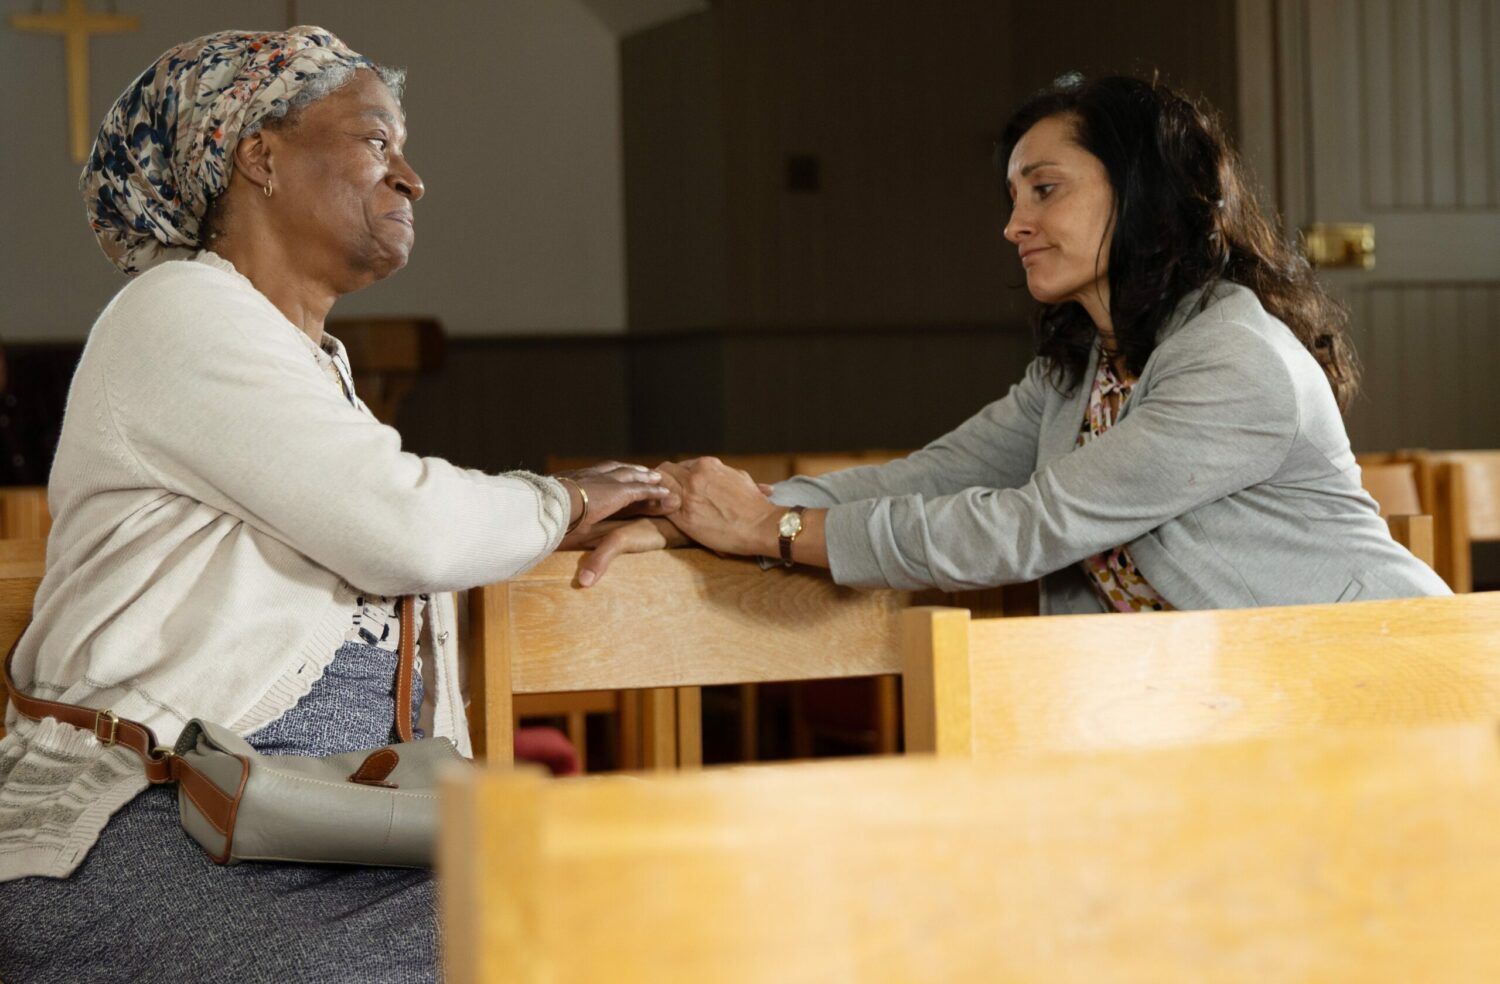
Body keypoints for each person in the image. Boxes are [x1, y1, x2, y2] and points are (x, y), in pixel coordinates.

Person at [0, 27, 676, 983]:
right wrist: (561, 500)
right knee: (491, 943)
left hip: (329, 823)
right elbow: (406, 526)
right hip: (153, 817)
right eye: (374, 140)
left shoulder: (309, 360)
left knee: (626, 898)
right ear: (260, 157)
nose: (411, 178)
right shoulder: (178, 311)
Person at [659, 74, 1450, 611]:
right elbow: (934, 478)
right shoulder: (1084, 367)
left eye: (1046, 188)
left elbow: (1028, 526)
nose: (1013, 225)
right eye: (1012, 197)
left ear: (1143, 190)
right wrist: (699, 511)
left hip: (1383, 694)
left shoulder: (1233, 356)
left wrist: (769, 531)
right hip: (1205, 711)